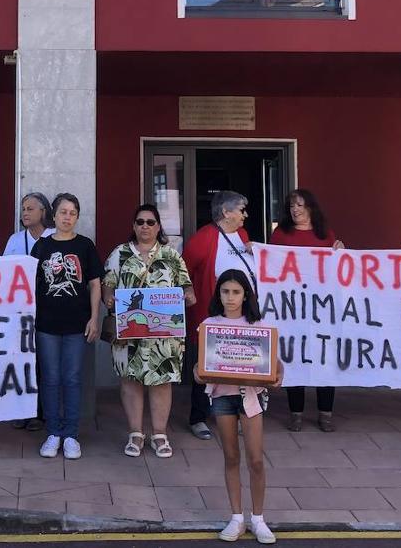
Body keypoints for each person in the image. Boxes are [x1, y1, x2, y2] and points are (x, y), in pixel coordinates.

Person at [195, 270, 282, 544]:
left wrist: (278, 375)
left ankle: (258, 518)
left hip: (251, 397)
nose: (230, 298)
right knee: (231, 457)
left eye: (236, 292)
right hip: (222, 397)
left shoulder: (258, 325)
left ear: (246, 295)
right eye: (225, 292)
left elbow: (275, 366)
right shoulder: (208, 324)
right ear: (218, 294)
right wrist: (199, 372)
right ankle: (236, 517)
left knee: (256, 459)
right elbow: (199, 368)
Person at [101, 204, 195, 458]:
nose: (145, 226)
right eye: (140, 222)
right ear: (133, 226)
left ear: (158, 226)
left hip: (164, 334)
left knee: (162, 382)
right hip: (129, 330)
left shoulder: (171, 255)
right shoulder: (120, 253)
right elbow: (107, 283)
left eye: (150, 222)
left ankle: (159, 434)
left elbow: (186, 285)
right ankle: (135, 433)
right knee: (131, 381)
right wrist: (109, 297)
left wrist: (187, 294)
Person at [31, 193, 103, 460]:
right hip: (46, 324)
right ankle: (53, 432)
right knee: (50, 379)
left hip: (77, 324)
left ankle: (71, 434)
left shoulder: (85, 246)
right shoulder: (41, 246)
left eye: (73, 213)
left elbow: (95, 283)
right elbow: (28, 283)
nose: (67, 217)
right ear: (54, 215)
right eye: (63, 212)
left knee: (72, 379)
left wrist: (94, 317)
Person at [269, 189, 344, 433]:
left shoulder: (325, 234)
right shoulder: (281, 234)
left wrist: (341, 250)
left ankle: (326, 414)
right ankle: (296, 414)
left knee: (324, 357)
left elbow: (337, 267)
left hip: (322, 308)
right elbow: (270, 263)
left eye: (300, 205)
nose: (295, 210)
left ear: (311, 207)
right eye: (292, 205)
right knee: (294, 356)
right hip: (292, 307)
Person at [181, 190, 253, 441]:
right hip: (210, 314)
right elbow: (183, 270)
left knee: (237, 366)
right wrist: (189, 290)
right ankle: (198, 417)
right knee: (207, 365)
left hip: (239, 314)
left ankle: (235, 414)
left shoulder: (242, 235)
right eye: (241, 209)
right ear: (226, 212)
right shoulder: (204, 238)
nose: (245, 215)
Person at [3, 192, 54, 432]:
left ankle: (40, 413)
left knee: (44, 362)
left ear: (43, 211)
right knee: (23, 360)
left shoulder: (54, 237)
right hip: (21, 310)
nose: (25, 212)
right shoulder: (15, 240)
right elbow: (4, 273)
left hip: (48, 309)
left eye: (30, 208)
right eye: (23, 208)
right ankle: (21, 411)